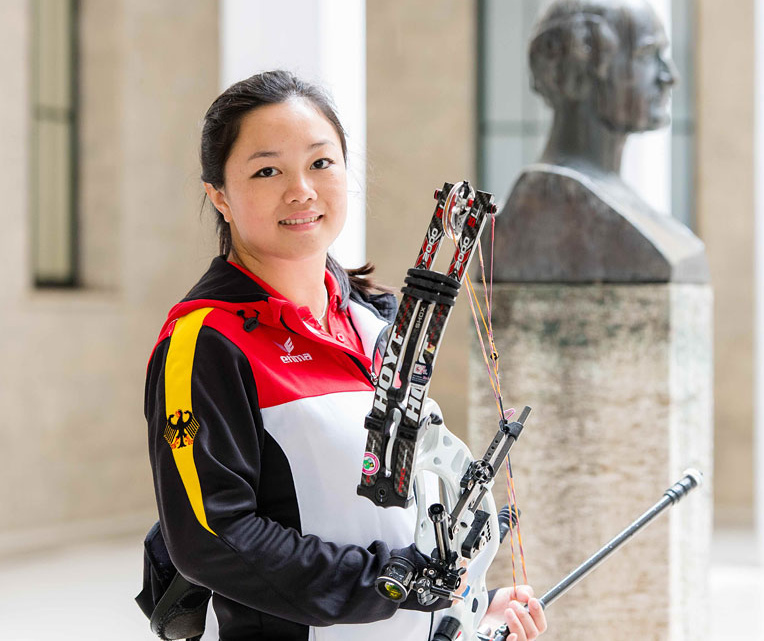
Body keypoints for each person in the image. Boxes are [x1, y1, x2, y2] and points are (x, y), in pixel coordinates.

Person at [145, 70, 548, 641]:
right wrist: (390, 584)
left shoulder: (377, 318)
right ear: (219, 196)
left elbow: (407, 508)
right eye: (267, 170)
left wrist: (465, 603)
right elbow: (213, 539)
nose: (301, 190)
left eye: (320, 163)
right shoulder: (206, 343)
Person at [493, 0, 708, 284]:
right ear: (579, 70)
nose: (669, 76)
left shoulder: (624, 204)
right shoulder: (546, 204)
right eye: (647, 54)